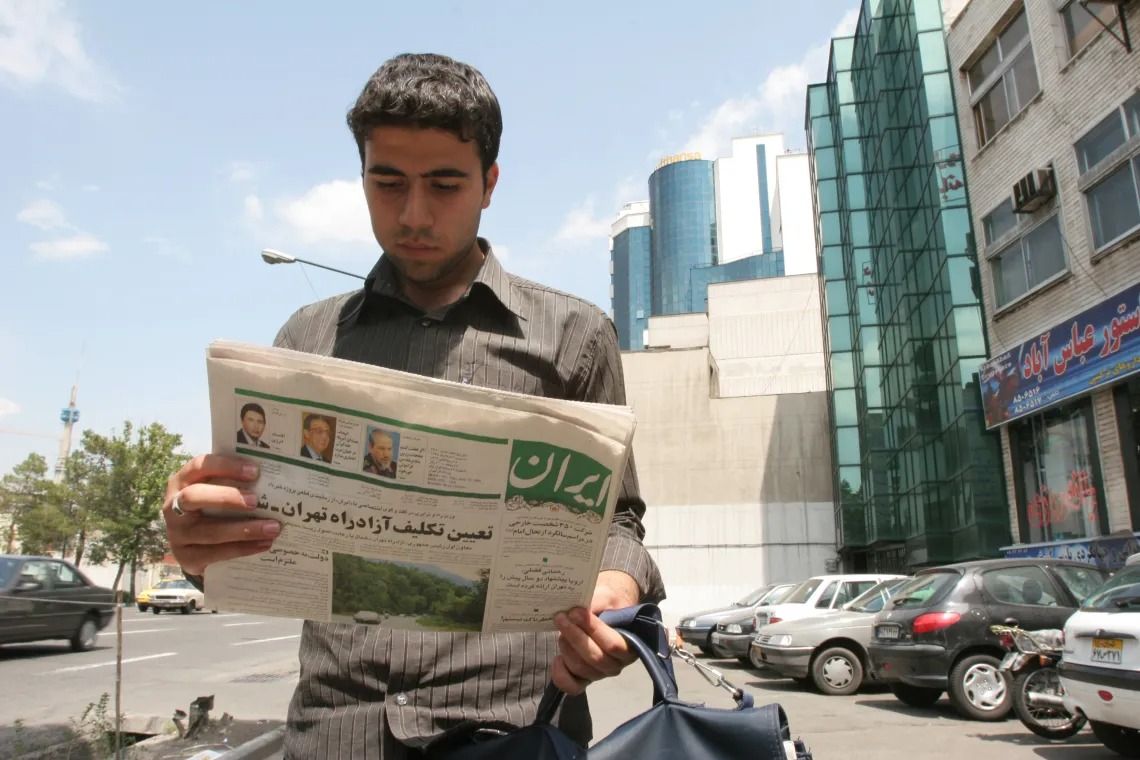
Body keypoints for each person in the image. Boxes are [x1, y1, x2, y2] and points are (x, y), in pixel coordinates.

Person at [162, 52, 665, 759]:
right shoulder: (308, 341)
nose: (414, 214)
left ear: (490, 184)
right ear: (362, 177)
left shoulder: (573, 336)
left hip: (511, 729)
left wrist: (615, 585)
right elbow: (255, 533)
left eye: (445, 185)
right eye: (388, 183)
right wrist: (199, 542)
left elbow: (619, 519)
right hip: (336, 735)